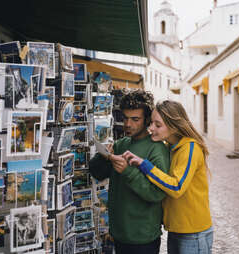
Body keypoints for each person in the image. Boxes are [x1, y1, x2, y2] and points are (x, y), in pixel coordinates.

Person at [123, 100, 213, 254]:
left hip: (193, 233)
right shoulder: (171, 148)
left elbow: (176, 187)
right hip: (177, 230)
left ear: (174, 126)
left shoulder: (190, 148)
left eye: (158, 125)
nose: (151, 128)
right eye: (151, 123)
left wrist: (145, 165)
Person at [88, 90, 170, 254]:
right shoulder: (121, 144)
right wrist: (103, 156)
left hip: (143, 238)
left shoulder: (157, 149)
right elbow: (97, 173)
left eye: (135, 119)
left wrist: (128, 172)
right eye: (125, 118)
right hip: (119, 235)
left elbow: (158, 194)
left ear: (147, 120)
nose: (127, 124)